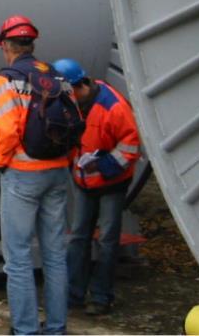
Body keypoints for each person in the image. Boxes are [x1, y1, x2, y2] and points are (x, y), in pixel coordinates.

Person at [0, 15, 70, 335]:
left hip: (23, 174)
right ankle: (56, 328)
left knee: (19, 259)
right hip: (57, 172)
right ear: (31, 45)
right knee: (55, 256)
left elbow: (6, 129)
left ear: (4, 46)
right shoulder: (55, 76)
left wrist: (3, 162)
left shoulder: (5, 79)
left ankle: (25, 330)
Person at [52, 58, 140, 316]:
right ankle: (74, 294)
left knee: (107, 240)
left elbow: (131, 145)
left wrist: (103, 166)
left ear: (76, 87)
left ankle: (101, 297)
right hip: (83, 180)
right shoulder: (72, 104)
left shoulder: (113, 107)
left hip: (111, 182)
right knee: (78, 236)